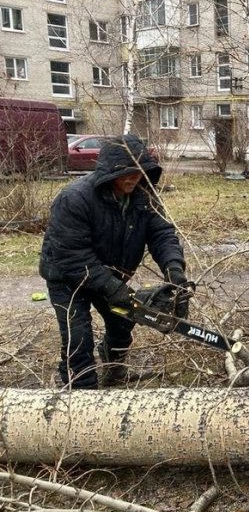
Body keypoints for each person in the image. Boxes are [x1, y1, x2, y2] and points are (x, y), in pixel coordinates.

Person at [39, 135, 191, 389]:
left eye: (139, 173)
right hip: (67, 277)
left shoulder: (144, 197)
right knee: (78, 335)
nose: (133, 179)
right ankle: (80, 392)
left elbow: (161, 234)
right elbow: (73, 256)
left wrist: (173, 268)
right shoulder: (75, 199)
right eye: (127, 174)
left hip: (109, 273)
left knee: (123, 322)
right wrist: (114, 288)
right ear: (109, 173)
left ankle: (113, 367)